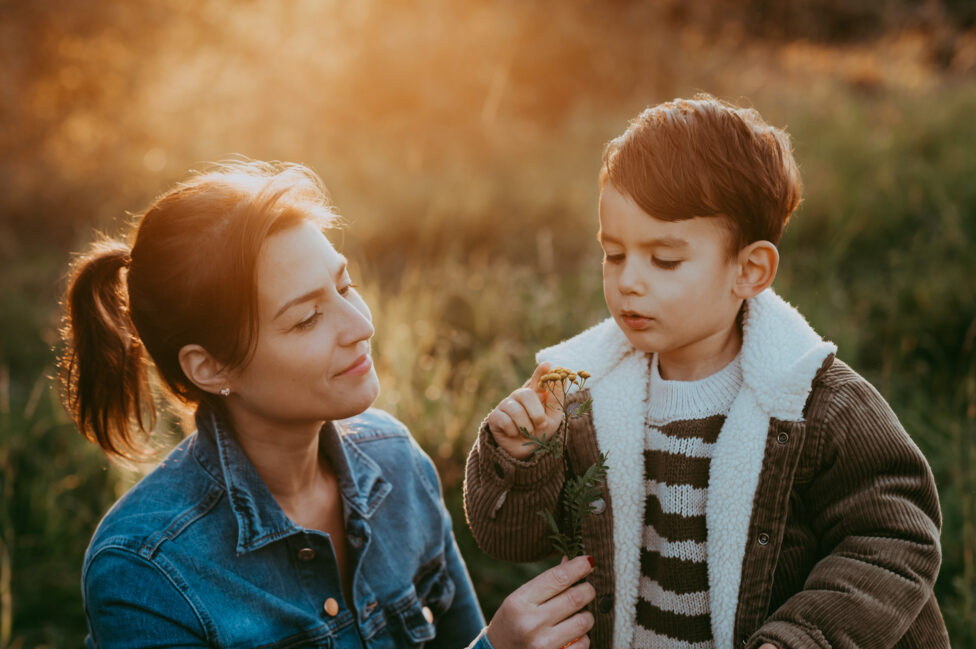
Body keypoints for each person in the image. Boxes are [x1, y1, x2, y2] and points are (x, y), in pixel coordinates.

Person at [463, 96, 949, 649]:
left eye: (664, 260)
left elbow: (893, 535)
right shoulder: (579, 392)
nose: (628, 282)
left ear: (749, 270)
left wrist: (803, 639)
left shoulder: (813, 401)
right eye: (614, 254)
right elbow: (508, 538)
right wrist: (520, 461)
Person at [59, 160, 596, 649]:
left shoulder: (398, 464)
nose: (361, 326)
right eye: (306, 318)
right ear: (210, 368)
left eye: (345, 285)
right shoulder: (145, 572)